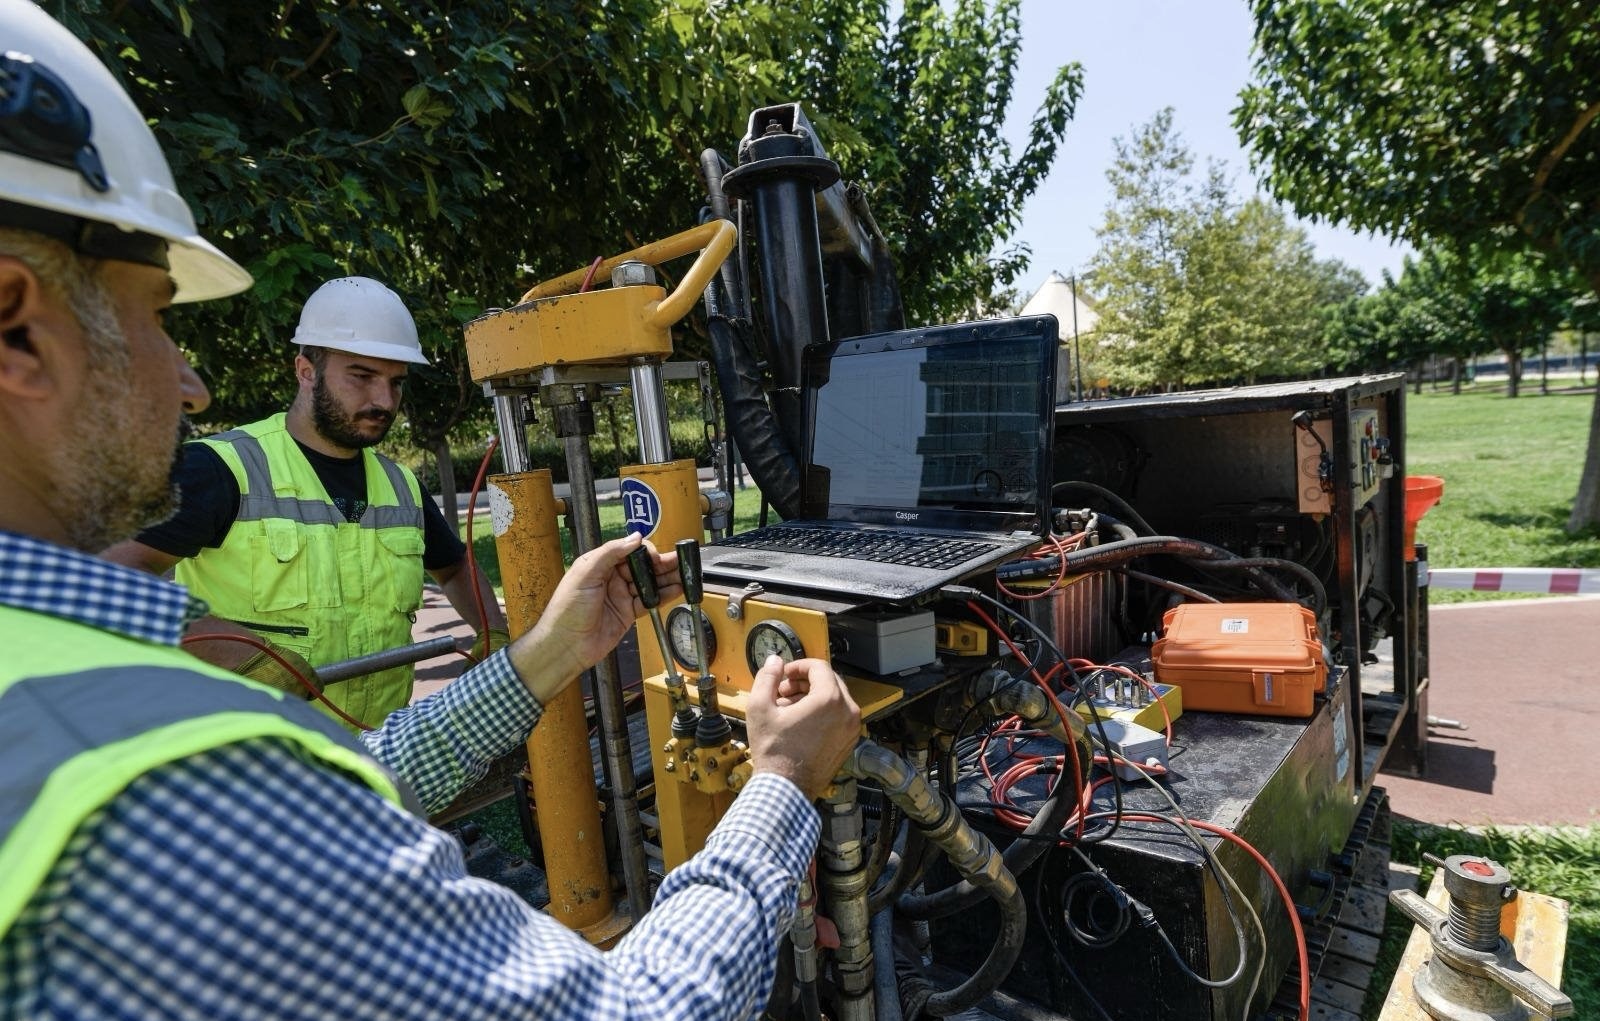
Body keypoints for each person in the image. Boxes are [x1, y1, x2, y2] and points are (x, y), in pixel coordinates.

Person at [0, 5, 863, 1019]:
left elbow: (347, 777)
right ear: (17, 325)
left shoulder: (58, 681)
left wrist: (544, 653)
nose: (187, 379)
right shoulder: (172, 783)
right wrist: (776, 787)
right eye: (154, 315)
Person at [102, 275, 508, 730]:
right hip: (253, 756)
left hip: (378, 751)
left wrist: (493, 633)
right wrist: (232, 650)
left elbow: (452, 567)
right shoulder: (222, 469)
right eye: (362, 376)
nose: (383, 400)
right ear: (305, 370)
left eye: (396, 382)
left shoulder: (398, 484)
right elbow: (109, 577)